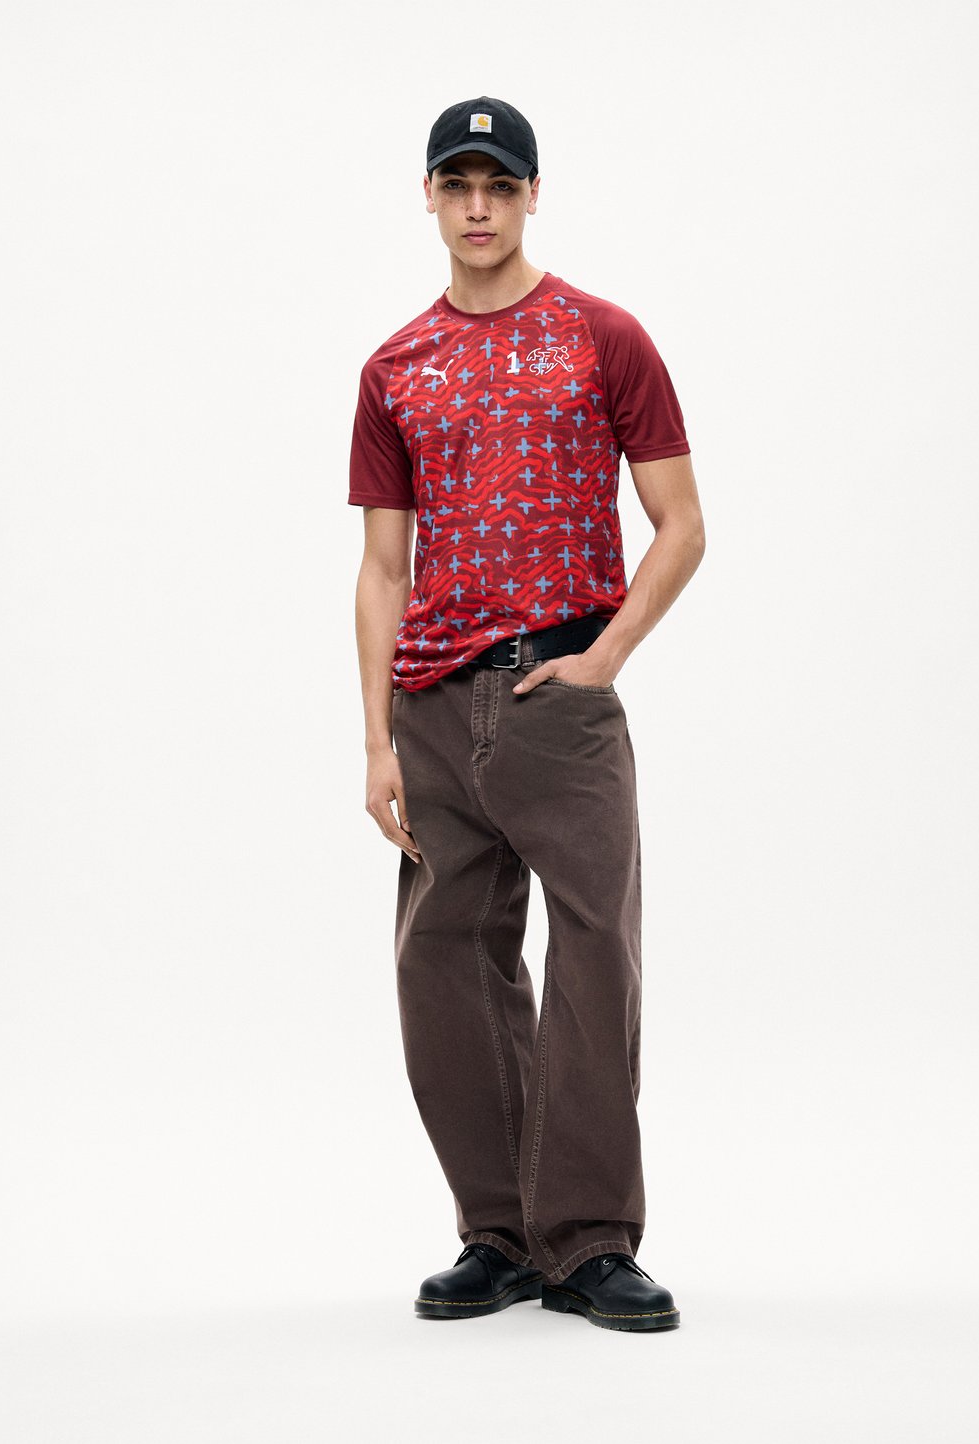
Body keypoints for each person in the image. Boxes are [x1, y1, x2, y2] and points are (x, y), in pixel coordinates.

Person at [348, 95, 705, 1332]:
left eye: (499, 184)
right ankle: (499, 1232)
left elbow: (680, 525)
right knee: (443, 963)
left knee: (594, 954)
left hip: (561, 695)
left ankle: (590, 1239)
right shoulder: (395, 366)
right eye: (457, 184)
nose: (479, 206)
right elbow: (382, 570)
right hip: (433, 704)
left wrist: (605, 658)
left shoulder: (604, 337)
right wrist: (377, 739)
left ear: (533, 194)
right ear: (429, 197)